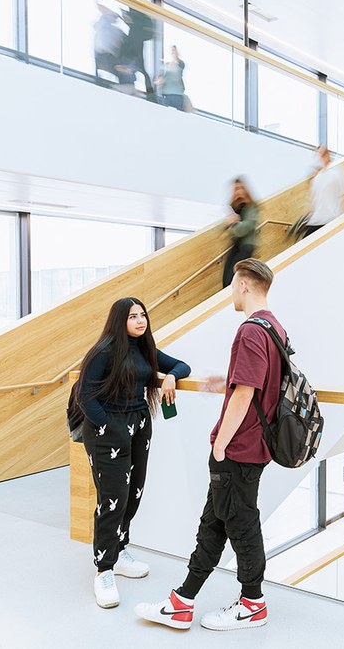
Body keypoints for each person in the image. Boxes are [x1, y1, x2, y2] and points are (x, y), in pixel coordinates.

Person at [136, 258, 283, 632]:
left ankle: (253, 603)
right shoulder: (273, 328)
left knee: (241, 525)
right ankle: (182, 601)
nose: (231, 291)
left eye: (234, 284)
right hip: (254, 445)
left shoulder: (250, 331)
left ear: (245, 286)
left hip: (238, 449)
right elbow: (254, 385)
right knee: (214, 524)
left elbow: (246, 394)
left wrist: (221, 444)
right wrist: (226, 382)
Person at [76, 297, 192, 609]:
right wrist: (108, 426)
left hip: (139, 427)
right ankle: (104, 568)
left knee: (133, 494)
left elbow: (182, 366)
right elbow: (83, 394)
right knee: (112, 499)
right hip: (108, 431)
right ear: (119, 321)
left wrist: (170, 376)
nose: (140, 321)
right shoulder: (103, 352)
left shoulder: (144, 348)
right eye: (133, 317)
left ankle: (120, 547)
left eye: (143, 315)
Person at [304, 146, 344, 238]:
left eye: (321, 155)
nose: (318, 158)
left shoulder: (337, 172)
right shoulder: (317, 177)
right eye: (317, 155)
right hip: (315, 221)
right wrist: (308, 212)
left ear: (327, 155)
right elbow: (313, 199)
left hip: (330, 219)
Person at [222, 178, 259, 288]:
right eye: (235, 189)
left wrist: (233, 224)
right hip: (235, 247)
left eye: (240, 188)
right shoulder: (234, 208)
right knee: (225, 280)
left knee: (232, 279)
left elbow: (247, 226)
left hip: (246, 247)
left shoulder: (252, 207)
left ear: (245, 190)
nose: (237, 191)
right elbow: (223, 227)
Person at [118, 7, 156, 98]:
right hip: (133, 49)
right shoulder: (138, 22)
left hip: (134, 50)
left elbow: (149, 34)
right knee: (140, 71)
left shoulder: (139, 20)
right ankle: (150, 95)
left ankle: (151, 95)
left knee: (140, 71)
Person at [93, 4, 124, 86]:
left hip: (110, 56)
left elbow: (118, 44)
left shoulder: (116, 30)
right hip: (102, 54)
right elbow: (101, 9)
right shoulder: (103, 24)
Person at [157, 45, 187, 110]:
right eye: (172, 51)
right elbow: (161, 80)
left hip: (177, 95)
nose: (172, 52)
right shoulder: (166, 65)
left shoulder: (180, 64)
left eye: (174, 51)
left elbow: (177, 74)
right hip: (166, 95)